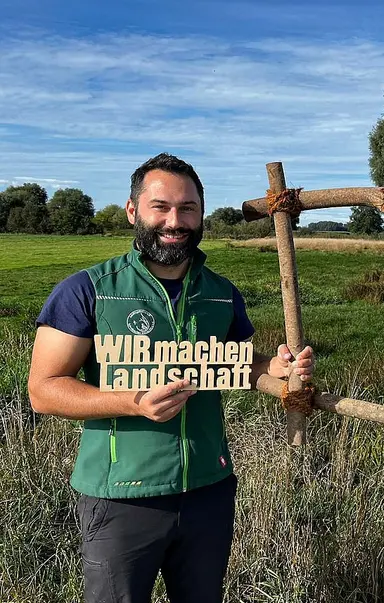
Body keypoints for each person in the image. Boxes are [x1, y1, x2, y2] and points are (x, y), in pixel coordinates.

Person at [27, 153, 315, 603]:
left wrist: (274, 367)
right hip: (120, 497)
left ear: (201, 213)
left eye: (187, 208)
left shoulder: (221, 294)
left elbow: (236, 362)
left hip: (209, 491)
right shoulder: (87, 290)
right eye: (160, 206)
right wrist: (133, 401)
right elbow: (43, 391)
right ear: (132, 211)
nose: (174, 221)